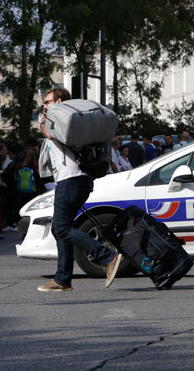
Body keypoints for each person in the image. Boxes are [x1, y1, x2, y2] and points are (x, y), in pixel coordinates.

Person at [38, 88, 121, 292]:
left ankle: (107, 257)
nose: (44, 106)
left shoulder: (59, 120)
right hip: (78, 180)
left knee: (60, 228)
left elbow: (47, 133)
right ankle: (62, 279)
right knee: (62, 229)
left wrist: (44, 118)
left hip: (70, 181)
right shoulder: (69, 122)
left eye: (46, 102)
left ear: (58, 101)